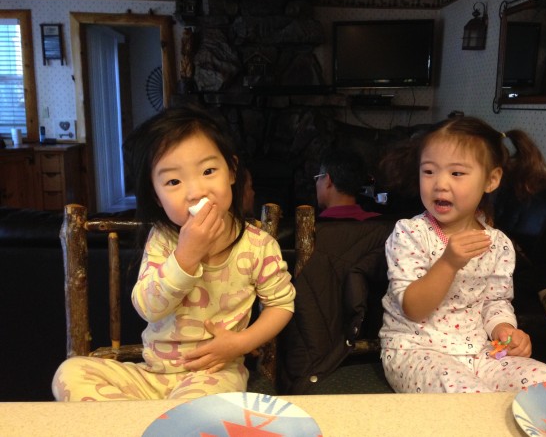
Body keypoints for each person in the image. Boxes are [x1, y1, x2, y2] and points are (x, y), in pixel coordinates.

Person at [52, 106, 295, 401]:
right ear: (157, 196)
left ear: (232, 171)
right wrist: (185, 256)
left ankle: (158, 420)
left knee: (194, 407)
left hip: (213, 374)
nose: (195, 192)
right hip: (152, 374)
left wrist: (240, 343)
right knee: (69, 373)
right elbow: (148, 308)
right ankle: (153, 420)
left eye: (208, 171)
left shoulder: (258, 245)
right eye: (173, 182)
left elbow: (281, 304)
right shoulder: (163, 240)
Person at [379, 116, 546, 393]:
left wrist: (505, 329)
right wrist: (448, 263)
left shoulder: (498, 244)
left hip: (479, 351)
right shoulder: (410, 233)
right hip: (415, 350)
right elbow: (413, 308)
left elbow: (495, 302)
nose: (440, 183)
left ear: (491, 180)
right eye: (429, 171)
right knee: (468, 394)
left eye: (457, 173)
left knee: (542, 379)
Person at [315, 148, 380, 220]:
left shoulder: (313, 225)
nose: (316, 183)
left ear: (327, 180)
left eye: (317, 177)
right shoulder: (380, 221)